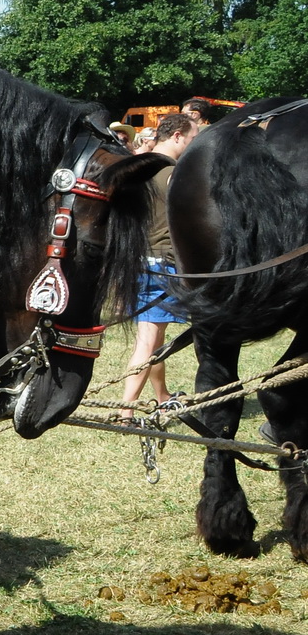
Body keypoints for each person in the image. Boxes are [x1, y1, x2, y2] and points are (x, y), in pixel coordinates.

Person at [120, 113, 196, 417]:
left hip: (138, 260)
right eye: (192, 137)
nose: (194, 144)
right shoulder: (175, 173)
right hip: (160, 263)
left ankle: (162, 395)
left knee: (155, 337)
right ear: (177, 136)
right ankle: (126, 412)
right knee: (148, 341)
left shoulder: (137, 166)